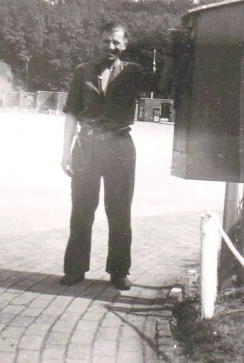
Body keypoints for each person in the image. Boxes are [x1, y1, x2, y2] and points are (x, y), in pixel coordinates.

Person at [60, 21, 169, 290]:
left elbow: (165, 85)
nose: (110, 46)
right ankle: (75, 269)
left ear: (125, 45)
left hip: (119, 146)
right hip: (86, 147)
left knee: (119, 211)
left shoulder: (133, 72)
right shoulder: (81, 72)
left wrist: (174, 50)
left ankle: (119, 271)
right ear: (99, 41)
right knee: (82, 210)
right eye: (106, 41)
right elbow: (72, 112)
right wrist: (65, 152)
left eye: (116, 42)